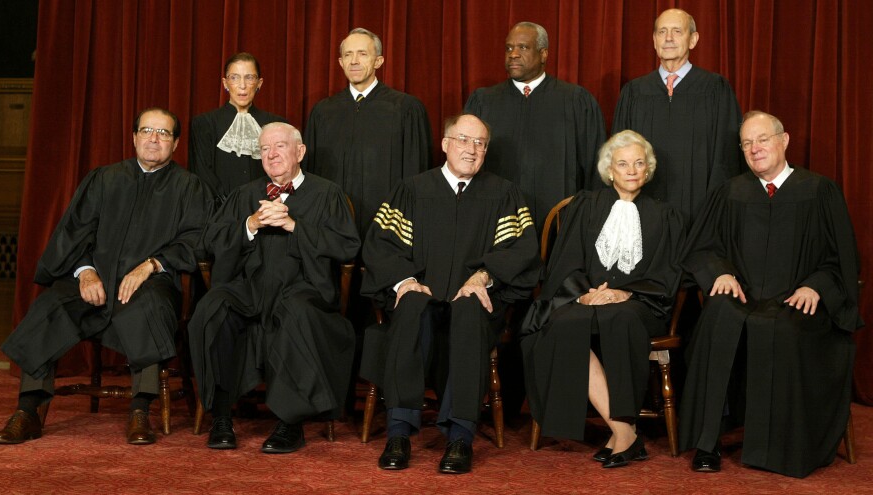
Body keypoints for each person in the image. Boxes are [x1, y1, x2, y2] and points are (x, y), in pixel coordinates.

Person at [0, 108, 210, 445]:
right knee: (52, 304)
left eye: (164, 133)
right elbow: (74, 234)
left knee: (150, 307)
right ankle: (28, 410)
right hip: (95, 282)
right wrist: (85, 271)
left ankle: (140, 410)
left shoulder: (189, 187)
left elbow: (196, 240)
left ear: (176, 143)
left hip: (150, 283)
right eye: (147, 131)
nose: (154, 139)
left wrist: (151, 265)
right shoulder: (104, 179)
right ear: (134, 137)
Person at [678, 111, 862, 478]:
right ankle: (708, 441)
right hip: (743, 296)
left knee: (784, 327)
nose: (754, 148)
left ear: (784, 141)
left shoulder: (819, 191)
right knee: (718, 315)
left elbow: (841, 260)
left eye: (762, 139)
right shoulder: (731, 193)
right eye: (746, 143)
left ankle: (781, 446)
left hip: (795, 299)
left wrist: (817, 286)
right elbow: (701, 248)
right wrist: (722, 272)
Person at [360, 114, 540, 474]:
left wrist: (483, 277)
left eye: (480, 143)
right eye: (463, 140)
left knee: (470, 310)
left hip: (471, 300)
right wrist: (404, 281)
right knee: (411, 305)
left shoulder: (504, 194)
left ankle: (460, 437)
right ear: (444, 143)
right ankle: (399, 432)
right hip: (421, 292)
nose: (471, 150)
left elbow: (521, 250)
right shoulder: (411, 190)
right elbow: (380, 246)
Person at [189, 122, 360, 454]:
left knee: (297, 313)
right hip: (249, 289)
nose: (271, 154)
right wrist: (249, 224)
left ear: (300, 152)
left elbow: (347, 247)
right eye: (264, 149)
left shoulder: (327, 194)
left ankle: (290, 424)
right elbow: (208, 240)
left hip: (302, 288)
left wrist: (294, 226)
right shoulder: (244, 194)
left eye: (280, 146)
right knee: (211, 310)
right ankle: (222, 417)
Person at [520, 130, 684, 468]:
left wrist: (626, 292)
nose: (632, 170)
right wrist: (583, 295)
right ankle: (624, 431)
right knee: (564, 324)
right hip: (587, 297)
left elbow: (667, 272)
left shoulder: (665, 215)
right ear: (610, 171)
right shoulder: (585, 205)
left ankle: (622, 434)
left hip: (640, 302)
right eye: (623, 164)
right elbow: (565, 261)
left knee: (620, 317)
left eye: (639, 163)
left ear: (649, 169)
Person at [464, 21, 606, 228]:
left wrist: (588, 217)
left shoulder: (575, 100)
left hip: (561, 219)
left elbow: (596, 165)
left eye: (523, 47)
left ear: (544, 54)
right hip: (496, 219)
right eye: (509, 48)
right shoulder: (484, 101)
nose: (513, 54)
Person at [612, 8, 742, 222]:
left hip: (701, 208)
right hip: (642, 208)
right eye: (662, 32)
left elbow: (725, 155)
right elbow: (619, 152)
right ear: (654, 40)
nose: (669, 38)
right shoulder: (634, 92)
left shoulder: (715, 89)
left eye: (677, 31)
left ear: (693, 39)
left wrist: (714, 208)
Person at [304, 27, 432, 237]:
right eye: (348, 55)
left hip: (388, 228)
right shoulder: (323, 112)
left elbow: (416, 176)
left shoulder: (406, 109)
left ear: (378, 61)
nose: (354, 61)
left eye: (362, 54)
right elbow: (311, 175)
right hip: (332, 228)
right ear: (340, 62)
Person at [189, 52, 287, 208]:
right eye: (234, 78)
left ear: (259, 83)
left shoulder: (277, 124)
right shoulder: (204, 123)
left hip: (266, 210)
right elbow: (202, 174)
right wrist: (230, 207)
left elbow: (285, 171)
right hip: (218, 213)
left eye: (249, 78)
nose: (242, 85)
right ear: (225, 83)